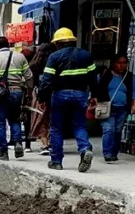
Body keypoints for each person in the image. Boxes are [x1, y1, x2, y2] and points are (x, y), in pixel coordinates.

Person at [38, 28, 98, 172]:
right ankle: (84, 149)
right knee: (79, 126)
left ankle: (56, 161)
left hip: (60, 95)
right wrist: (95, 95)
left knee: (57, 128)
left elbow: (47, 80)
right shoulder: (86, 55)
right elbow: (93, 78)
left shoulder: (54, 57)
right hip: (80, 95)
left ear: (58, 43)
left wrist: (42, 97)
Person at [0, 37, 32, 160]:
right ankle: (17, 142)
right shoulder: (20, 57)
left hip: (1, 94)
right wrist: (29, 92)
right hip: (18, 92)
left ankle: (3, 151)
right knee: (15, 119)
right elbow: (29, 77)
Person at [95, 54, 135, 163]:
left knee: (117, 131)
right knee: (109, 129)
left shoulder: (130, 76)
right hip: (107, 107)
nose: (122, 65)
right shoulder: (105, 75)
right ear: (113, 64)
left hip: (122, 108)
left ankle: (114, 152)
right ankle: (107, 153)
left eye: (124, 63)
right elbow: (97, 89)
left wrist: (134, 104)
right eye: (119, 63)